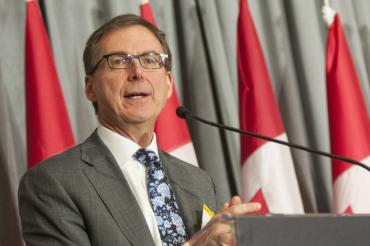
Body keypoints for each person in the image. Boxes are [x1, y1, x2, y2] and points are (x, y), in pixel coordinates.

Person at [18, 14, 261, 245]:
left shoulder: (198, 181)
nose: (137, 73)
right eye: (119, 61)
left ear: (167, 85)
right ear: (90, 87)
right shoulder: (52, 182)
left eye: (150, 60)